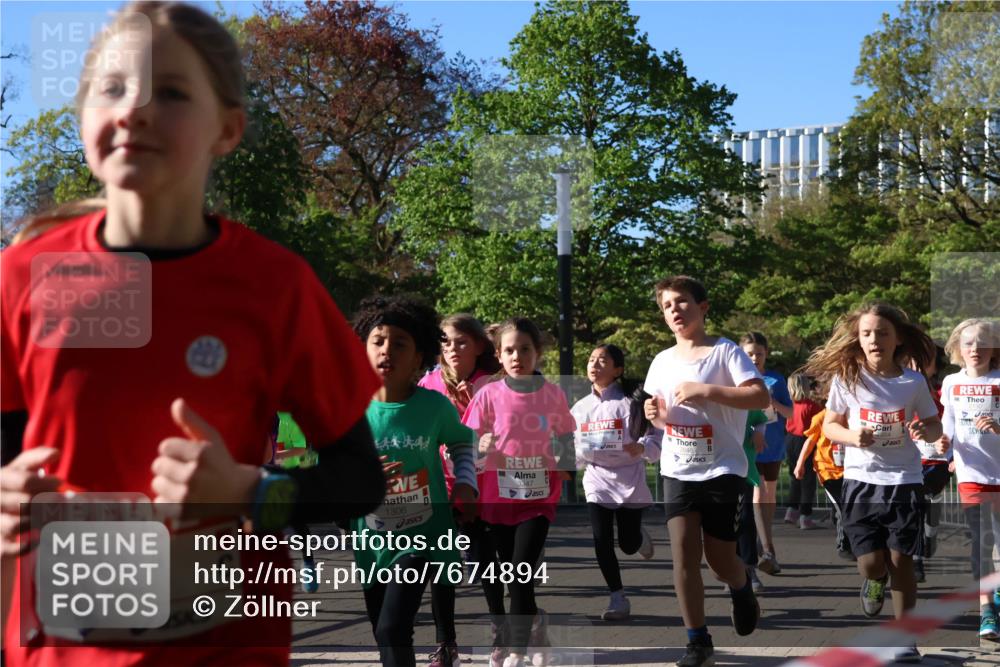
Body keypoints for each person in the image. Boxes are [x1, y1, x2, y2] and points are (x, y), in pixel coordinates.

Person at [0, 3, 385, 665]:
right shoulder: (20, 276)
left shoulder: (275, 285)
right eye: (111, 88)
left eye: (172, 92)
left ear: (227, 129)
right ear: (84, 115)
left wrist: (250, 492)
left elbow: (361, 482)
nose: (135, 110)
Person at [643, 276, 768, 667]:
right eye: (667, 306)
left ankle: (741, 586)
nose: (675, 310)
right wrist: (654, 413)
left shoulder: (725, 351)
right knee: (683, 555)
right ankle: (698, 642)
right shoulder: (661, 362)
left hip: (723, 469)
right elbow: (664, 419)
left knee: (719, 561)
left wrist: (705, 390)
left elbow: (759, 396)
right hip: (677, 468)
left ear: (703, 307)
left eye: (682, 301)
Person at [807, 302, 941, 663]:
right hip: (861, 481)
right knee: (870, 562)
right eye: (866, 333)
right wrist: (853, 437)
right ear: (858, 339)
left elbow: (934, 425)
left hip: (904, 479)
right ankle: (874, 579)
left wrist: (924, 429)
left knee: (902, 560)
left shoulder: (912, 382)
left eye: (882, 333)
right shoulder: (848, 378)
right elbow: (830, 425)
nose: (874, 339)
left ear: (897, 339)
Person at [351, 296, 479, 667]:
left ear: (418, 357)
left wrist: (465, 482)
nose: (386, 350)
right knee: (383, 631)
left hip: (424, 534)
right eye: (378, 341)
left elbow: (461, 442)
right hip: (371, 538)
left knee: (393, 628)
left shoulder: (433, 406)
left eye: (399, 343)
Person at [462, 318, 576, 667]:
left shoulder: (552, 394)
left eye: (525, 349)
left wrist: (566, 466)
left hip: (538, 499)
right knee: (512, 577)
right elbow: (465, 441)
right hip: (498, 499)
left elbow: (566, 434)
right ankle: (535, 626)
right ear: (498, 355)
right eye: (509, 350)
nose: (517, 356)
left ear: (537, 352)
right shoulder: (488, 394)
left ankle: (517, 651)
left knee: (519, 570)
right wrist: (480, 445)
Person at [418, 313, 500, 667]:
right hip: (442, 485)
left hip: (484, 486)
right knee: (441, 565)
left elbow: (514, 426)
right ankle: (445, 643)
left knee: (487, 563)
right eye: (446, 342)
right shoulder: (429, 383)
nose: (452, 348)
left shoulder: (493, 382)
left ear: (479, 345)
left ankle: (502, 628)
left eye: (461, 342)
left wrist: (483, 429)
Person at [571, 345, 659, 621]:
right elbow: (572, 446)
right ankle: (617, 596)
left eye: (603, 360)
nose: (594, 364)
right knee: (601, 540)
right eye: (591, 360)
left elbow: (654, 437)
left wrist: (642, 448)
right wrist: (579, 455)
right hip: (597, 479)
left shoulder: (632, 403)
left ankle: (638, 536)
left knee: (628, 544)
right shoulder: (580, 408)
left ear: (617, 370)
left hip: (629, 477)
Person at [939, 318, 1000, 639]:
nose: (975, 348)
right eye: (968, 343)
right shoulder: (951, 382)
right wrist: (943, 446)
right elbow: (947, 426)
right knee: (981, 542)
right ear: (958, 349)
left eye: (982, 342)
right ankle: (986, 611)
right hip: (971, 473)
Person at [738, 332, 792, 575]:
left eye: (759, 353)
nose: (754, 358)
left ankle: (763, 537)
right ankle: (769, 551)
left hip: (774, 446)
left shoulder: (776, 380)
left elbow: (790, 413)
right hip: (749, 447)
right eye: (749, 354)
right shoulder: (737, 380)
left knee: (768, 496)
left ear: (766, 354)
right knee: (758, 494)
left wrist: (772, 403)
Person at [793, 380, 855, 561]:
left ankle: (852, 538)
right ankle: (844, 545)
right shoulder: (821, 417)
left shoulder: (852, 417)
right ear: (829, 396)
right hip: (827, 470)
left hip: (849, 470)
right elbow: (810, 441)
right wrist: (799, 464)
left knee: (850, 507)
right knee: (843, 508)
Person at [784, 373, 823, 530]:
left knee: (794, 477)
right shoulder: (812, 406)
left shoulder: (789, 405)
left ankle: (791, 511)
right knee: (808, 481)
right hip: (805, 441)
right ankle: (805, 516)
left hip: (790, 439)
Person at [735, 410, 768, 592]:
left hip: (743, 468)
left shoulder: (743, 399)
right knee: (724, 521)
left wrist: (759, 433)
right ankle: (729, 569)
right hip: (713, 469)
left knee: (745, 518)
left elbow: (761, 418)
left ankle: (748, 568)